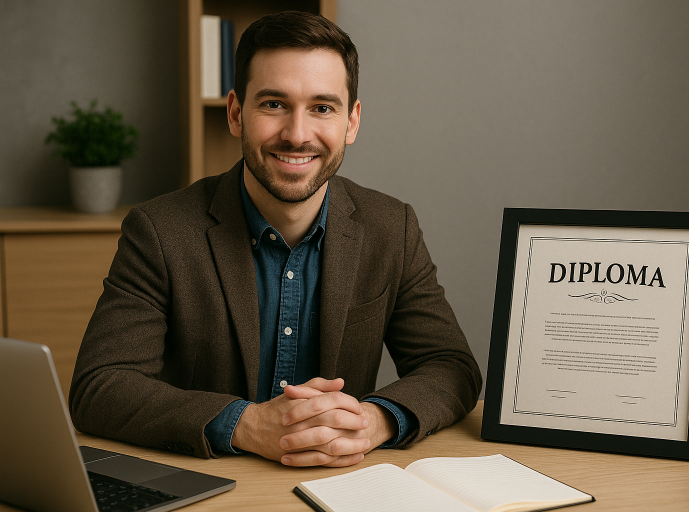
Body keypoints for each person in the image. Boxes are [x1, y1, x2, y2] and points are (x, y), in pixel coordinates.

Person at [69, 11, 482, 468]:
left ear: (352, 121)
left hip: (341, 485)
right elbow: (99, 385)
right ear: (235, 113)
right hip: (211, 487)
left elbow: (450, 366)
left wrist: (372, 421)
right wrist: (245, 424)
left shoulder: (392, 227)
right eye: (273, 104)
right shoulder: (159, 230)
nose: (298, 134)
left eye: (322, 108)